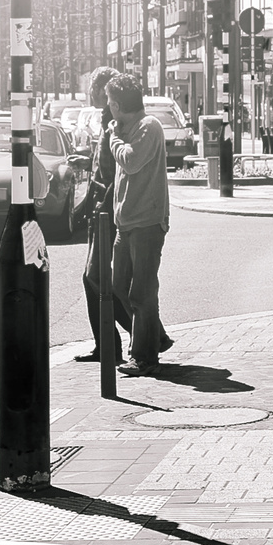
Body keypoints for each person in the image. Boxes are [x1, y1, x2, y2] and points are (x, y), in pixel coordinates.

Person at [106, 72, 172, 376]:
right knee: (119, 285)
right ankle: (155, 336)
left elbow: (130, 161)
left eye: (109, 101)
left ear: (117, 104)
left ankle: (144, 356)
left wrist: (113, 138)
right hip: (126, 223)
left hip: (147, 222)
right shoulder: (124, 126)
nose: (107, 106)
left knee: (142, 292)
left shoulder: (148, 127)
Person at [73, 67, 132, 364]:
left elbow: (116, 168)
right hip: (100, 206)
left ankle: (141, 333)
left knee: (95, 278)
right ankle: (108, 345)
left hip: (106, 209)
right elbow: (104, 162)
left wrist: (103, 206)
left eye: (93, 90)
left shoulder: (114, 121)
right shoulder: (104, 119)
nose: (91, 95)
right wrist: (86, 161)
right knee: (95, 279)